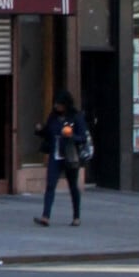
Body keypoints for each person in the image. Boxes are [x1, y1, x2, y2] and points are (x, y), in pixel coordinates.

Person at [34, 89, 89, 227]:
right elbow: (48, 132)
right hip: (56, 155)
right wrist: (40, 130)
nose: (56, 107)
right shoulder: (53, 117)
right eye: (55, 104)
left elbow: (83, 138)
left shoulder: (76, 117)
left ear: (66, 104)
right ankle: (46, 216)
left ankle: (76, 216)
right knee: (51, 184)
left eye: (59, 104)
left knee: (72, 186)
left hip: (70, 155)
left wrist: (72, 136)